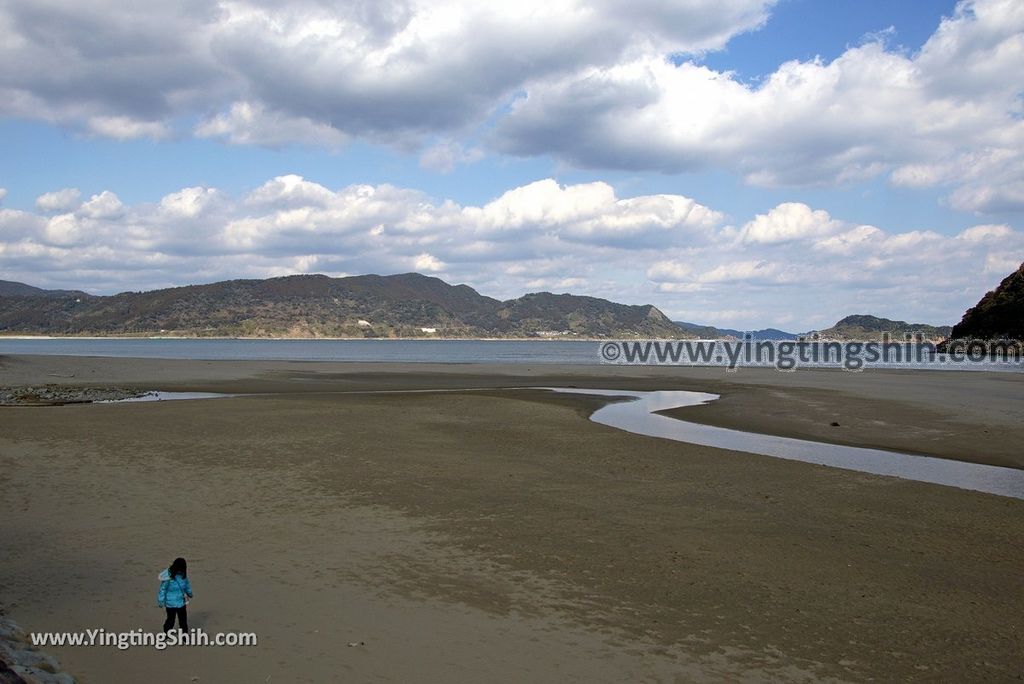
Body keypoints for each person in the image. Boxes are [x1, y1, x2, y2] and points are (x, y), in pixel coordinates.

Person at [157, 557, 193, 633]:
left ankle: (184, 636)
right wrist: (161, 601)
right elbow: (163, 590)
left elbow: (187, 586)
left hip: (181, 602)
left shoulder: (183, 576)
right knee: (170, 620)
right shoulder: (168, 577)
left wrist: (190, 593)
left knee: (183, 621)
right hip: (170, 604)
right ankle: (166, 633)